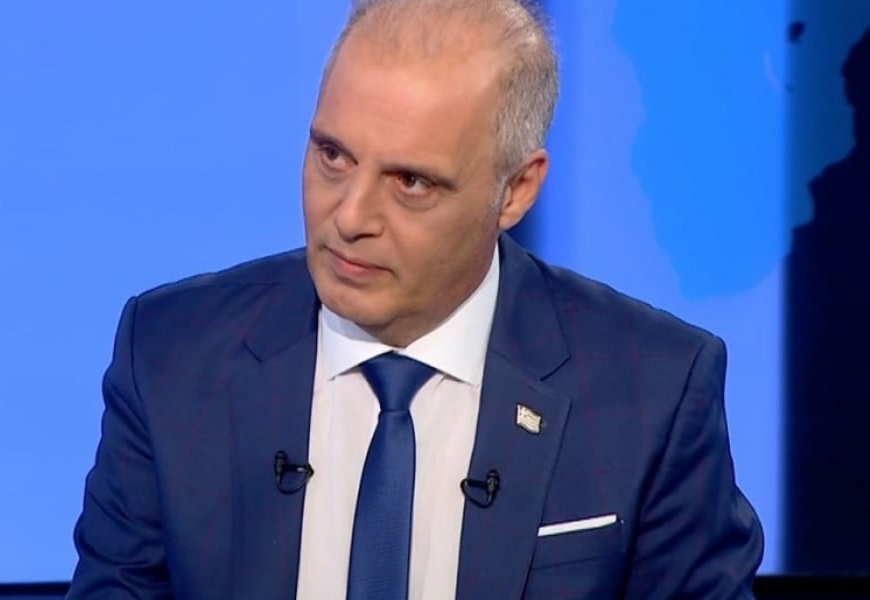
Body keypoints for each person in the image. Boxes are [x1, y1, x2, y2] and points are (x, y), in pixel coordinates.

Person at [67, 0, 764, 598]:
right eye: (333, 156)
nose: (350, 216)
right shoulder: (172, 356)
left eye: (411, 182)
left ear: (516, 190)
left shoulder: (653, 391)